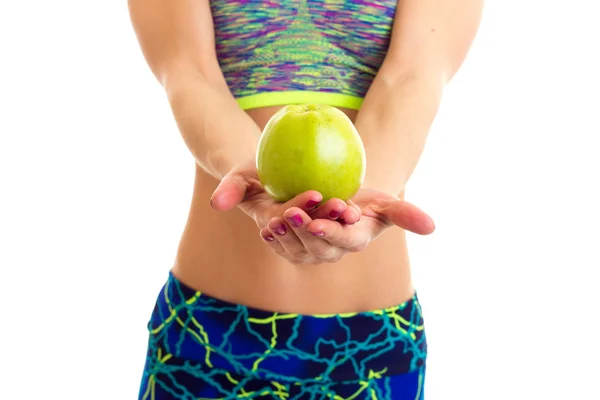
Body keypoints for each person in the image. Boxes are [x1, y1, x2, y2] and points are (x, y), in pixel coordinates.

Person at [128, 0, 482, 398]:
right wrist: (258, 181)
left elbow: (412, 76)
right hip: (208, 338)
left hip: (370, 349)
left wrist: (352, 211)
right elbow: (190, 74)